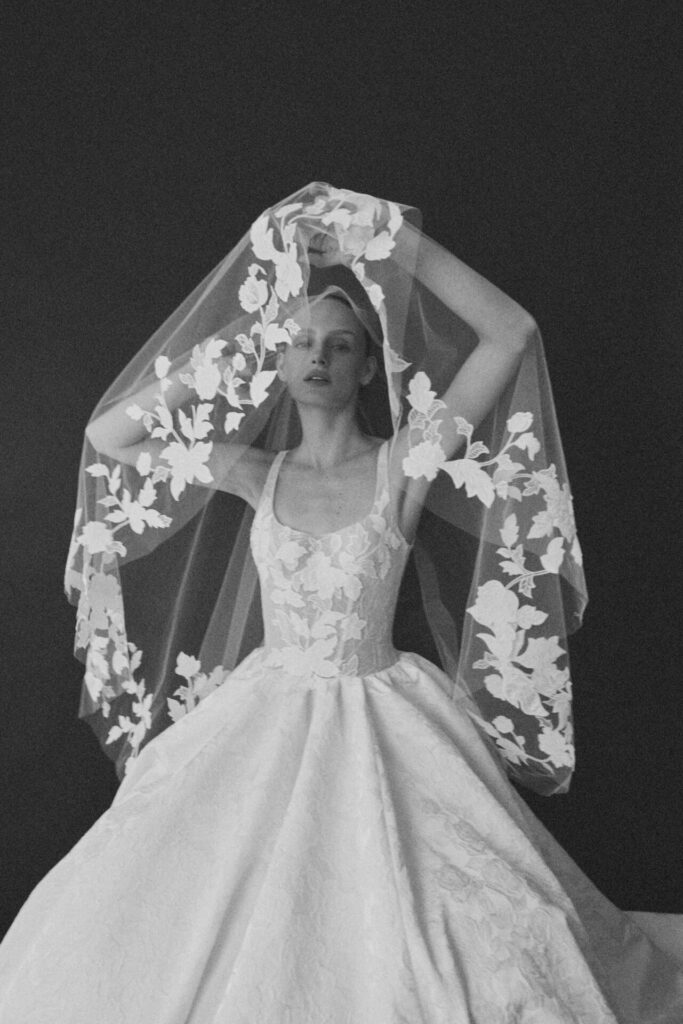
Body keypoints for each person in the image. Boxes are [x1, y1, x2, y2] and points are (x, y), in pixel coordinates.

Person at [0, 183, 681, 1022]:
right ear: (281, 363)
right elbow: (112, 436)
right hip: (263, 707)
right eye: (301, 346)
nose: (316, 358)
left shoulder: (405, 465)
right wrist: (256, 329)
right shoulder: (259, 472)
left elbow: (513, 335)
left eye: (340, 344)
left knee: (432, 931)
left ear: (368, 364)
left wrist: (385, 242)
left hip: (383, 715)